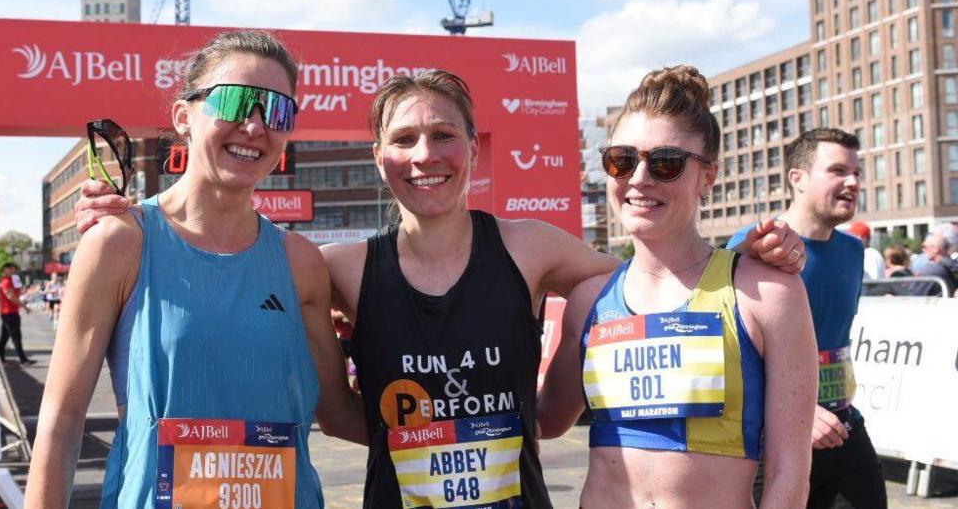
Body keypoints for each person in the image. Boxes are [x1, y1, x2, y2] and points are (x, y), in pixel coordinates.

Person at [76, 69, 805, 508]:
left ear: (473, 147)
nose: (425, 156)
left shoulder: (530, 248)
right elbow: (222, 257)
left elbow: (660, 278)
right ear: (379, 157)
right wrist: (138, 222)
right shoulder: (337, 267)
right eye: (404, 139)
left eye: (444, 136)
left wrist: (749, 251)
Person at [25, 31, 366, 508]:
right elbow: (61, 425)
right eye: (235, 101)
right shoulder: (119, 243)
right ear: (183, 117)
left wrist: (491, 420)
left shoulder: (300, 261)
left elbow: (342, 415)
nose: (254, 125)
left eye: (277, 110)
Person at [538, 66, 818, 508]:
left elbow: (789, 474)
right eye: (622, 160)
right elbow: (545, 420)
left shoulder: (766, 291)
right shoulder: (589, 298)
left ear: (708, 176)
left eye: (666, 162)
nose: (639, 178)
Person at [727, 128, 888, 508]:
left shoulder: (853, 250)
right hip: (769, 443)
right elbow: (728, 354)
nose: (852, 182)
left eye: (857, 173)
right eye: (837, 171)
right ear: (796, 179)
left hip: (842, 427)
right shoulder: (751, 248)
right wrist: (799, 410)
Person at [0, 262, 34, 365]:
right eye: (11, 268)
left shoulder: (11, 280)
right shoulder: (6, 282)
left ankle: (0, 359)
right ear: (5, 269)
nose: (13, 270)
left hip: (10, 312)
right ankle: (23, 359)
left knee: (4, 337)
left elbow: (16, 293)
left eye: (14, 268)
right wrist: (24, 306)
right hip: (9, 313)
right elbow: (10, 296)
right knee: (16, 336)